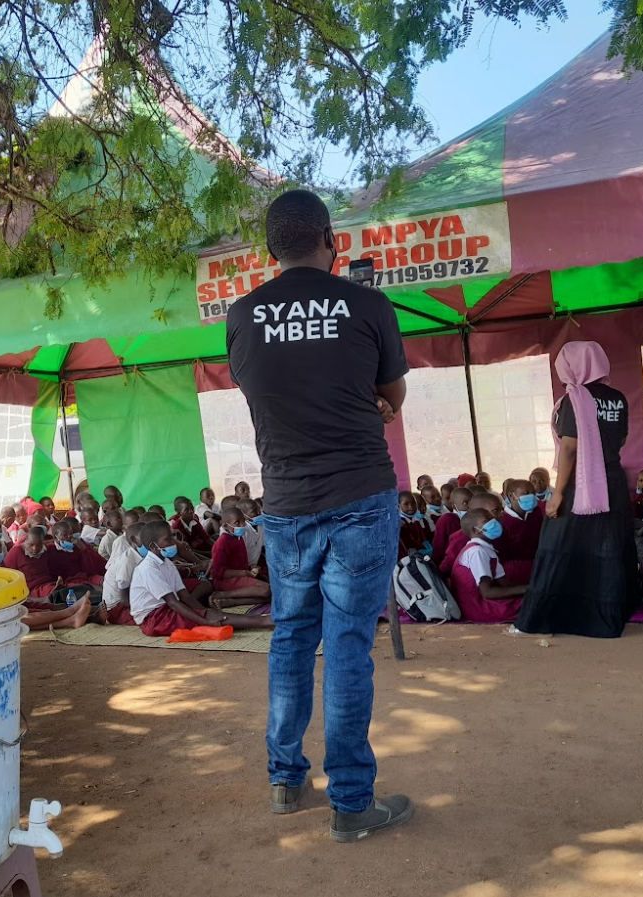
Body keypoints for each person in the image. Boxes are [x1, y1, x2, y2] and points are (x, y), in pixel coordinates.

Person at [226, 189, 412, 841]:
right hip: (360, 495)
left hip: (286, 505)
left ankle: (285, 779)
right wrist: (373, 405)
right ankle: (352, 803)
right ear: (330, 240)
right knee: (348, 647)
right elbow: (392, 393)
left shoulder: (242, 315)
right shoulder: (367, 303)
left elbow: (262, 391)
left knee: (291, 638)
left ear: (269, 250)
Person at [514, 341, 637, 639]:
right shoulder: (618, 398)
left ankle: (543, 619)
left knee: (558, 547)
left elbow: (569, 449)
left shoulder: (574, 399)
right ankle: (607, 620)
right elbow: (620, 441)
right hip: (612, 483)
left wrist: (557, 494)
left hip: (578, 484)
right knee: (609, 548)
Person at [130, 522, 267, 636]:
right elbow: (173, 603)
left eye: (173, 537)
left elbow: (184, 596)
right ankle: (266, 622)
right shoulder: (148, 569)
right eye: (168, 539)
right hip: (153, 619)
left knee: (209, 614)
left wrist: (203, 613)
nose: (173, 542)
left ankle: (265, 621)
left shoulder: (166, 563)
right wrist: (205, 622)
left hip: (165, 610)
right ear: (153, 546)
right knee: (208, 618)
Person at [450, 509, 527, 623]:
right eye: (487, 520)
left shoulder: (488, 550)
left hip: (486, 602)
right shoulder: (476, 551)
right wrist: (527, 589)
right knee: (534, 605)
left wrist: (529, 589)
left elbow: (504, 584)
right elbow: (487, 592)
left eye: (492, 518)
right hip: (478, 607)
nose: (494, 521)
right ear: (475, 530)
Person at [208, 508, 272, 608]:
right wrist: (243, 573)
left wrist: (251, 571)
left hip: (240, 577)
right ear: (225, 525)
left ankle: (232, 602)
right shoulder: (223, 542)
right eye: (237, 522)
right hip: (226, 580)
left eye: (243, 521)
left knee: (272, 593)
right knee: (266, 590)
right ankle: (223, 595)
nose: (242, 525)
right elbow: (217, 572)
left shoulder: (237, 537)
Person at [493, 480, 543, 586]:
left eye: (533, 493)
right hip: (515, 567)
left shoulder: (537, 513)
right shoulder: (502, 521)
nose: (531, 496)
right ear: (511, 495)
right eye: (526, 493)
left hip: (538, 561)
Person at [102, 522, 145, 625]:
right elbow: (124, 600)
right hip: (116, 609)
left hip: (132, 599)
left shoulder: (142, 555)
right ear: (134, 540)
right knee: (153, 617)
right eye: (145, 538)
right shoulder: (127, 561)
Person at [430, 486, 472, 568]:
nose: (470, 506)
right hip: (449, 565)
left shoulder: (475, 519)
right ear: (454, 505)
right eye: (465, 503)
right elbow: (438, 547)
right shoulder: (447, 519)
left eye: (472, 502)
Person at [396, 491, 432, 557]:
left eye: (413, 503)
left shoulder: (418, 519)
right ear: (398, 506)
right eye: (406, 504)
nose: (411, 506)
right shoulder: (400, 524)